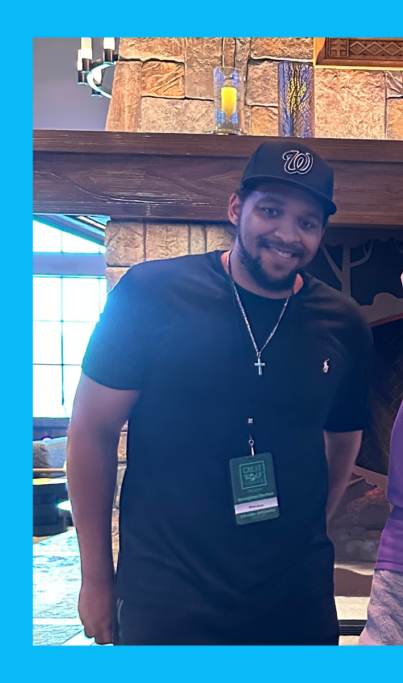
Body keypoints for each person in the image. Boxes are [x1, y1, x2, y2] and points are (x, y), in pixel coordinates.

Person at [67, 141, 373, 645]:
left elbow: (344, 442)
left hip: (295, 599)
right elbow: (91, 431)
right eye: (270, 211)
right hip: (168, 597)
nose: (287, 234)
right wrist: (96, 579)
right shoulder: (150, 294)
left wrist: (308, 526)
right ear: (236, 208)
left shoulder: (344, 323)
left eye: (307, 222)